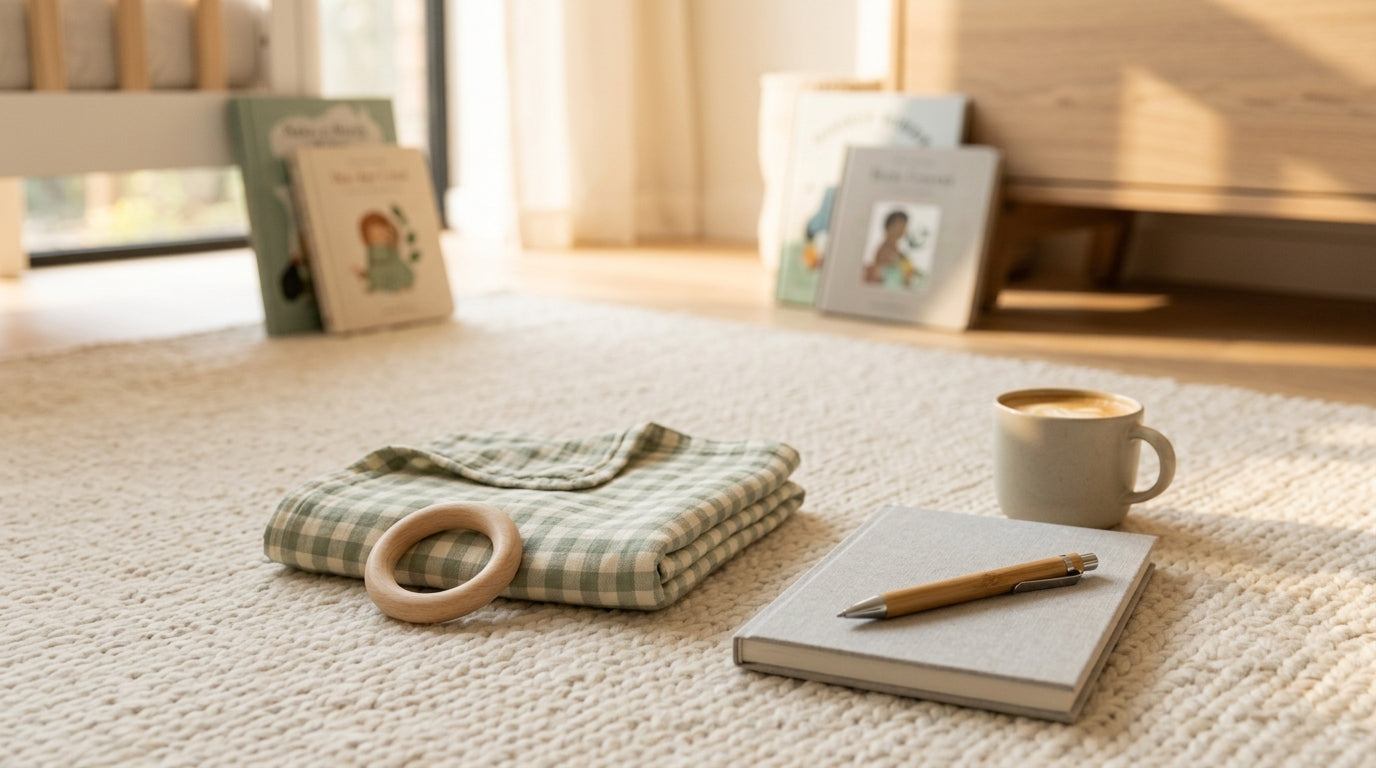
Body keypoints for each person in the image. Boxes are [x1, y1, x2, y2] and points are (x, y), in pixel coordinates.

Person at [355, 211, 415, 292]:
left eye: (381, 233)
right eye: (374, 235)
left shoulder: (389, 249)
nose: (378, 237)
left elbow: (382, 267)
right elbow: (374, 267)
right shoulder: (372, 250)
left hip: (394, 275)